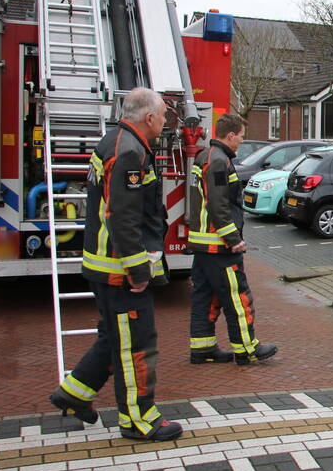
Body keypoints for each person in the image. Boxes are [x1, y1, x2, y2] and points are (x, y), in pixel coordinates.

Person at [48, 87, 182, 441]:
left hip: (107, 267)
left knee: (113, 337)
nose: (166, 121)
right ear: (149, 117)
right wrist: (139, 272)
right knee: (137, 344)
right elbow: (122, 217)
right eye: (164, 115)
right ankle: (139, 420)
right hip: (119, 272)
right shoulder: (128, 152)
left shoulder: (117, 141)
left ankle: (74, 393)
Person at [187, 113, 277, 365]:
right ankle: (247, 348)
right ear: (230, 135)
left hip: (204, 244)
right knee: (237, 296)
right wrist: (232, 238)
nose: (241, 141)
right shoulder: (218, 161)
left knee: (205, 296)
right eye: (240, 136)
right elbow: (219, 202)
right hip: (219, 246)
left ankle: (202, 349)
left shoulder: (205, 156)